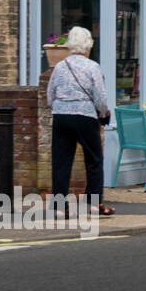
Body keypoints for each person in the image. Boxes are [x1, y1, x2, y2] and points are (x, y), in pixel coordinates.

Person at [46, 26, 114, 217]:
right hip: (85, 116)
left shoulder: (60, 66)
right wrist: (103, 113)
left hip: (61, 116)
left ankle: (59, 208)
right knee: (94, 160)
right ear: (88, 47)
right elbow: (100, 97)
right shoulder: (92, 67)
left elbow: (50, 95)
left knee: (61, 162)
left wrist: (60, 108)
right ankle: (93, 205)